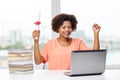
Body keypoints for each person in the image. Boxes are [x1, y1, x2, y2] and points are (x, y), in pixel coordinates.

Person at [32, 13, 101, 70]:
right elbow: (38, 62)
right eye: (63, 27)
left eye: (69, 27)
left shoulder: (78, 42)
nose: (67, 30)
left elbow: (94, 55)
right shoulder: (50, 44)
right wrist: (36, 42)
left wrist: (96, 34)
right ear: (57, 28)